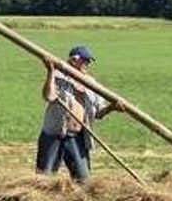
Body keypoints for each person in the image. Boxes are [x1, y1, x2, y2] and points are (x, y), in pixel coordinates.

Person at [35, 45, 123, 182]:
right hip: (54, 134)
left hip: (76, 137)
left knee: (83, 179)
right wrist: (50, 71)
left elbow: (99, 113)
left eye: (89, 61)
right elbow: (49, 96)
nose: (88, 64)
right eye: (86, 60)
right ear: (74, 60)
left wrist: (112, 107)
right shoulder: (58, 77)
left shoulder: (91, 84)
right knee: (44, 177)